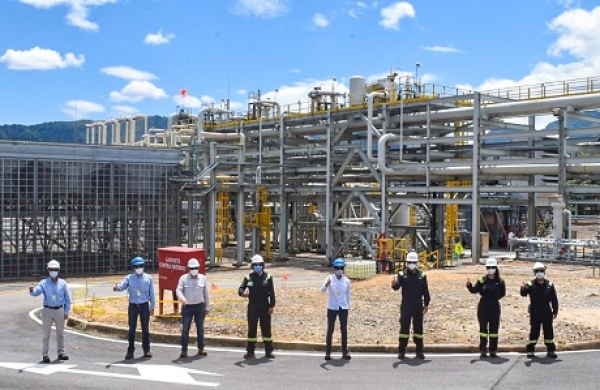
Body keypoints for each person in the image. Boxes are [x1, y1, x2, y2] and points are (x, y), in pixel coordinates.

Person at [113, 256, 156, 360]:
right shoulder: (129, 278)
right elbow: (123, 286)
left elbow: (152, 294)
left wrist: (152, 307)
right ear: (133, 267)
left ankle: (147, 349)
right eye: (137, 266)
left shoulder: (148, 278)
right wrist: (116, 288)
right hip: (133, 306)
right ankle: (130, 351)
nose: (139, 268)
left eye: (141, 266)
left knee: (145, 329)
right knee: (131, 329)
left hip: (144, 305)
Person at [29, 260, 71, 363]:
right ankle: (45, 355)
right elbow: (36, 292)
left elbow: (68, 299)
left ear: (58, 270)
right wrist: (32, 290)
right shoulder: (44, 283)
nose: (54, 271)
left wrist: (66, 311)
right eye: (52, 270)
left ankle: (61, 352)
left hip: (60, 310)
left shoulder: (63, 283)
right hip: (48, 310)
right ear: (48, 270)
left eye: (55, 270)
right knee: (46, 334)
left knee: (60, 333)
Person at [391, 251, 431, 359]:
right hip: (406, 306)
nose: (411, 264)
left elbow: (425, 291)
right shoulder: (401, 274)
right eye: (409, 262)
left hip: (418, 306)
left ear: (417, 263)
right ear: (406, 262)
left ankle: (419, 351)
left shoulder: (422, 276)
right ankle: (402, 351)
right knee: (404, 328)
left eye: (413, 262)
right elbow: (397, 286)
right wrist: (394, 284)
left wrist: (426, 304)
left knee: (418, 329)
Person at [466, 258, 506, 358]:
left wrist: (494, 297)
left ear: (496, 268)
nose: (491, 269)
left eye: (492, 267)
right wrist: (469, 286)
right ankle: (483, 349)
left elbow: (503, 293)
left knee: (494, 329)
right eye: (489, 267)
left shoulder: (500, 281)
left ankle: (493, 350)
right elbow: (475, 290)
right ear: (486, 268)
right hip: (483, 306)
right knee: (483, 329)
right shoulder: (482, 280)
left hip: (494, 307)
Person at [238, 254, 276, 359]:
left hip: (265, 307)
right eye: (255, 265)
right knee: (252, 329)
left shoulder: (268, 277)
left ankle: (269, 351)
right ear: (252, 266)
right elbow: (240, 289)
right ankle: (250, 351)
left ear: (263, 265)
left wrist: (272, 306)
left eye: (259, 265)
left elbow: (272, 293)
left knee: (266, 329)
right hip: (253, 307)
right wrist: (243, 293)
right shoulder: (248, 277)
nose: (258, 266)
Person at [520, 261, 559, 358]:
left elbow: (554, 299)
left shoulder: (550, 284)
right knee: (534, 330)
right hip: (535, 311)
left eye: (541, 271)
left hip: (546, 311)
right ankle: (530, 350)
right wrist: (522, 289)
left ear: (544, 271)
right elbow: (524, 294)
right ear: (534, 272)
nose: (539, 273)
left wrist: (555, 311)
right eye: (537, 271)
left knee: (548, 330)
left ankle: (550, 350)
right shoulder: (530, 284)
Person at [176, 258, 210, 358]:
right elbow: (178, 290)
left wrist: (207, 307)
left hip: (200, 306)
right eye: (192, 268)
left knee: (200, 328)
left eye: (196, 268)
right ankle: (184, 350)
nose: (194, 270)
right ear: (189, 268)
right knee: (185, 329)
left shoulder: (203, 278)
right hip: (187, 307)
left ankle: (201, 348)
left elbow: (206, 294)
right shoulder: (183, 278)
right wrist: (182, 299)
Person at [320, 257, 352, 361]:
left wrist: (347, 306)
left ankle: (344, 351)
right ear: (334, 268)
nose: (339, 269)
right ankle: (328, 352)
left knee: (344, 329)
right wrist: (326, 285)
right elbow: (322, 290)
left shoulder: (346, 281)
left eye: (341, 268)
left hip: (343, 307)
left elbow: (348, 295)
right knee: (330, 330)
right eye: (338, 268)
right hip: (332, 307)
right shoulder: (329, 278)